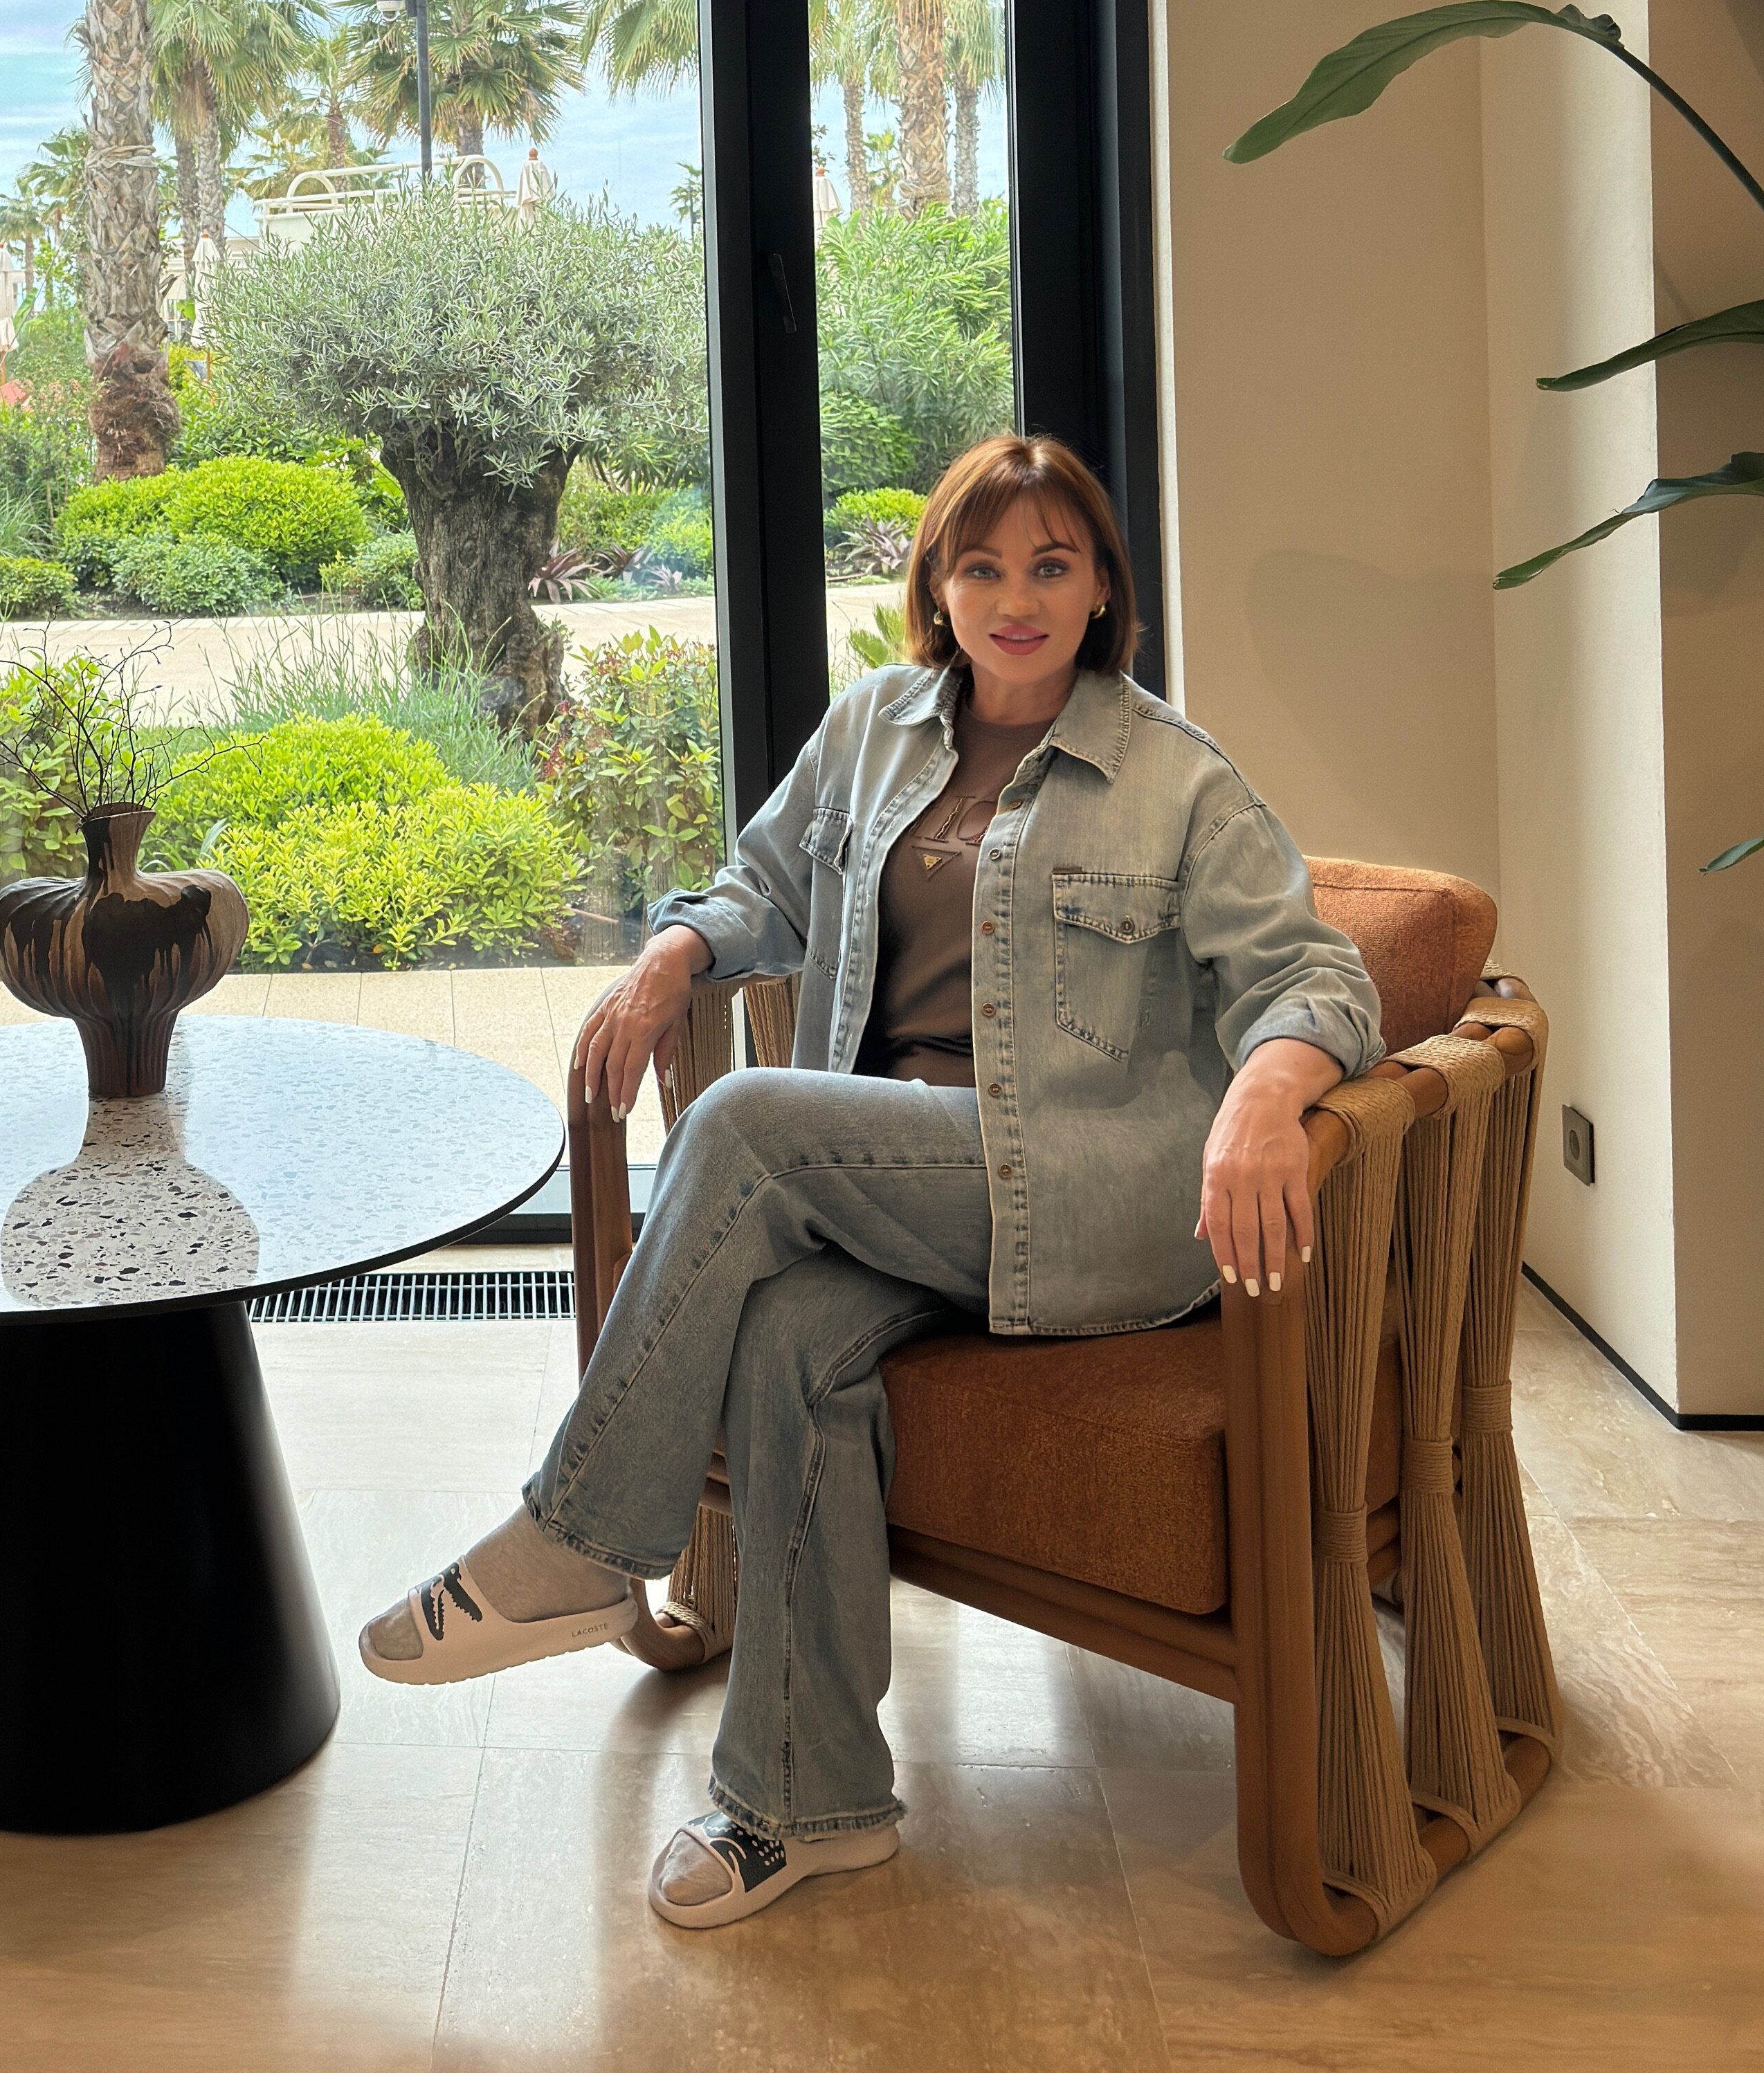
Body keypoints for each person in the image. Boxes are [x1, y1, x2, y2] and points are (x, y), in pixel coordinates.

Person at [361, 430, 1382, 1931]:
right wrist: (673, 954)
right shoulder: (873, 732)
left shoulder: (1176, 778)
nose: (1017, 599)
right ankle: (804, 1804)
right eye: (984, 567)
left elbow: (1314, 977)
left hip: (1085, 1191)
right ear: (938, 587)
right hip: (898, 1179)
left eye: (1052, 566)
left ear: (1103, 588)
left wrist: (1271, 1095)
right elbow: (761, 884)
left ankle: (578, 1540)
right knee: (788, 1340)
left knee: (747, 1123)